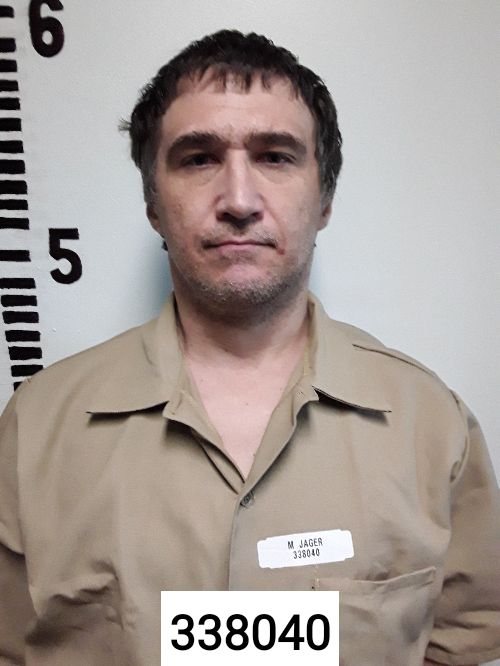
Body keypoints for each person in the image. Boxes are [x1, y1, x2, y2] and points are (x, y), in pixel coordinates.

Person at [0, 29, 499, 666]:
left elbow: (461, 643)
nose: (238, 201)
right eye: (198, 159)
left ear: (324, 199)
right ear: (152, 203)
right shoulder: (38, 429)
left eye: (275, 157)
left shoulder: (431, 426)